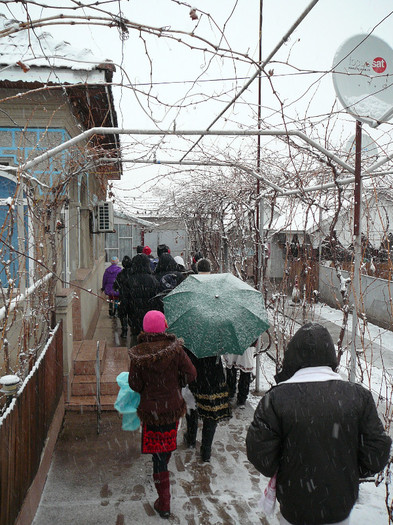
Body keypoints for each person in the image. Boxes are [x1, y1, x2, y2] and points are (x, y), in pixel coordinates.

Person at [246, 322, 391, 525]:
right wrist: (347, 469)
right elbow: (377, 452)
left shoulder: (276, 398)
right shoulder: (358, 397)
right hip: (339, 506)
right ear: (330, 356)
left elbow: (260, 454)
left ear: (293, 355)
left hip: (294, 506)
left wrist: (288, 467)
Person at [128, 310, 197, 519]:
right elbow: (191, 374)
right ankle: (163, 486)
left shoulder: (139, 354)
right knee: (165, 449)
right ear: (164, 327)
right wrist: (177, 383)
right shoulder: (175, 351)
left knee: (157, 456)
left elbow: (134, 384)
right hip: (172, 409)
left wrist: (147, 388)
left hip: (151, 413)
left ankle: (164, 500)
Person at [183, 350, 232, 462]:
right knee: (211, 413)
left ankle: (191, 438)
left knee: (192, 406)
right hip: (214, 377)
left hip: (196, 375)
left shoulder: (190, 337)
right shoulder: (218, 335)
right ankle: (206, 449)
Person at [127, 253, 160, 341]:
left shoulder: (130, 280)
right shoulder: (153, 280)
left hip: (134, 317)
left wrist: (124, 314)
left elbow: (125, 300)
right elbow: (157, 300)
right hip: (150, 317)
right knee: (149, 339)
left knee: (136, 339)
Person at [223, 342, 256, 408]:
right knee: (231, 366)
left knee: (245, 369)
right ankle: (231, 391)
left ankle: (242, 397)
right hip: (232, 341)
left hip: (246, 342)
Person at [113, 255, 132, 338]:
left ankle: (124, 331)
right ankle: (132, 328)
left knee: (123, 315)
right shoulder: (133, 273)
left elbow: (115, 286)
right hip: (132, 298)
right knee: (131, 314)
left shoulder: (120, 274)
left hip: (123, 297)